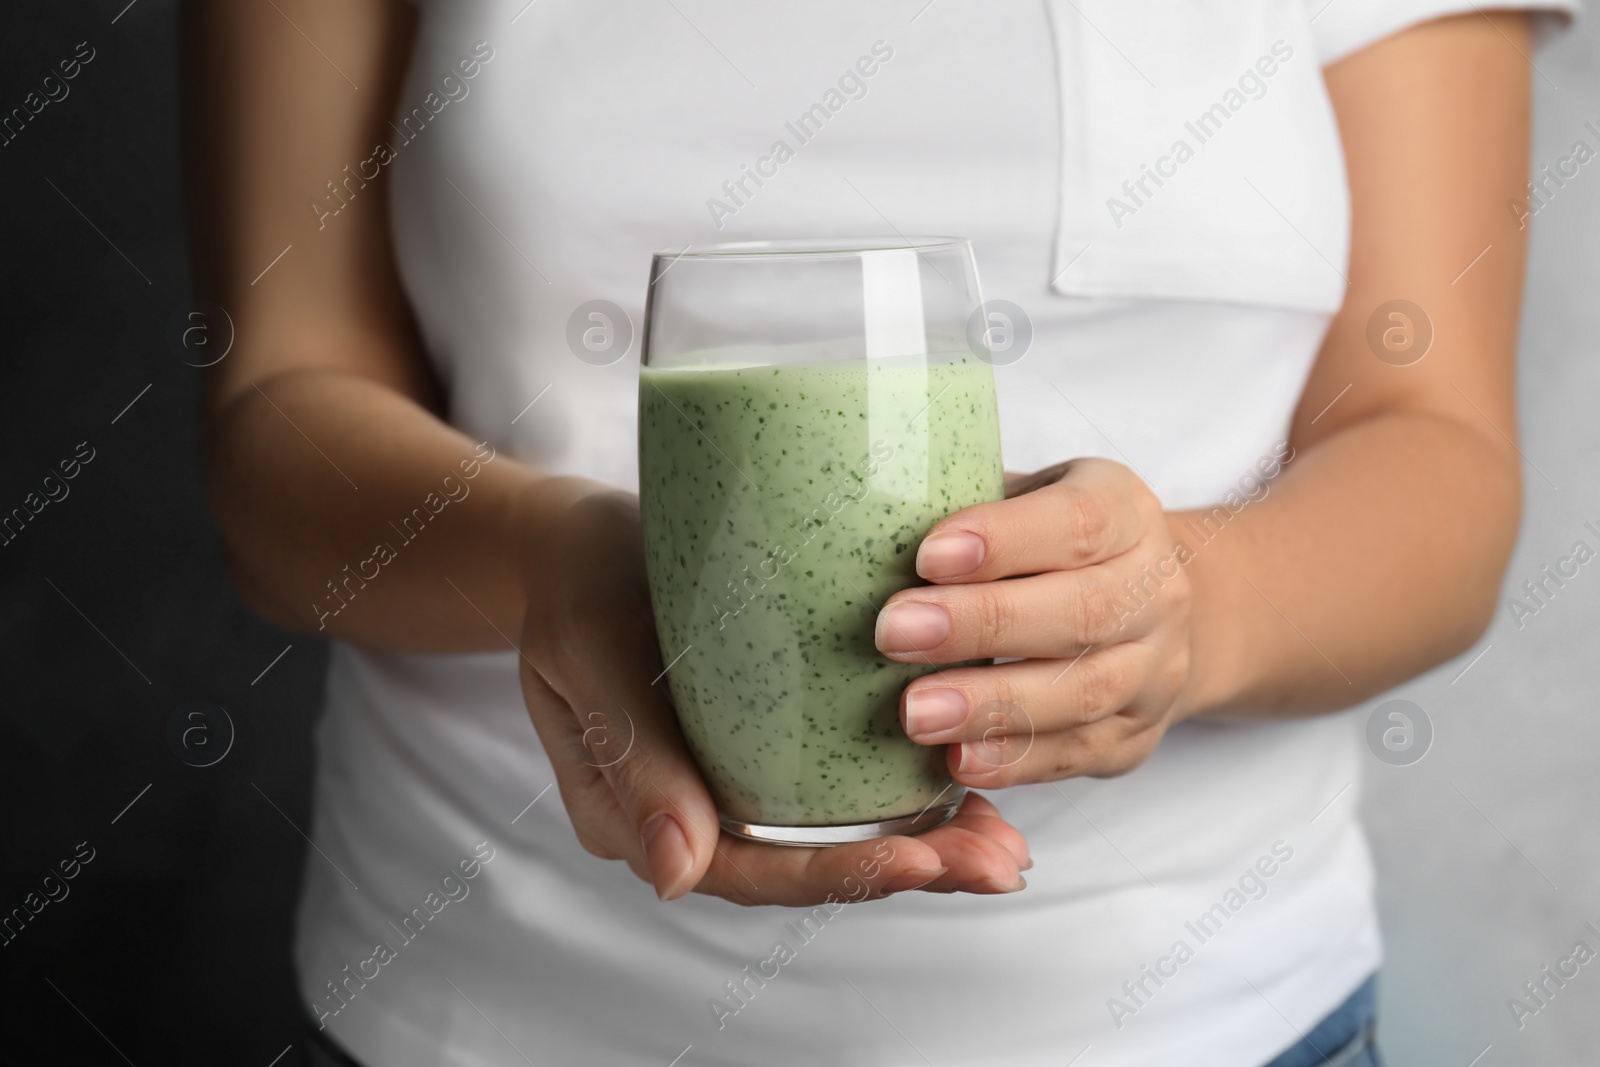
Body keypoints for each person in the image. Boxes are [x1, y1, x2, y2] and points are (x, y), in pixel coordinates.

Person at [185, 1, 1575, 1063]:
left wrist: (1186, 615)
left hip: (1199, 1016)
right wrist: (554, 559)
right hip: (490, 1001)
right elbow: (282, 416)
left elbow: (1436, 455)